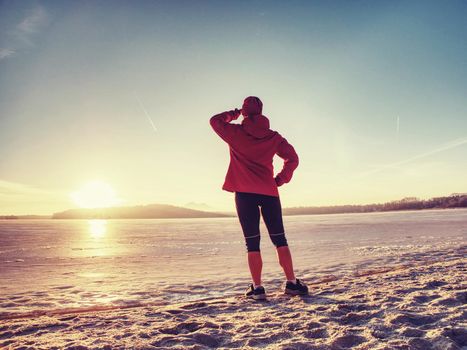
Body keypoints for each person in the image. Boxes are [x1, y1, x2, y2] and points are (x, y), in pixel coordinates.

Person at [209, 96, 308, 300]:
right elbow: (293, 158)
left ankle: (258, 288)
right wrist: (280, 179)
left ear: (245, 111)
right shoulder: (273, 137)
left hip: (245, 195)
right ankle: (291, 283)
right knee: (280, 239)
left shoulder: (235, 132)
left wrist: (235, 113)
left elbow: (215, 121)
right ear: (262, 112)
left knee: (252, 243)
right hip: (269, 192)